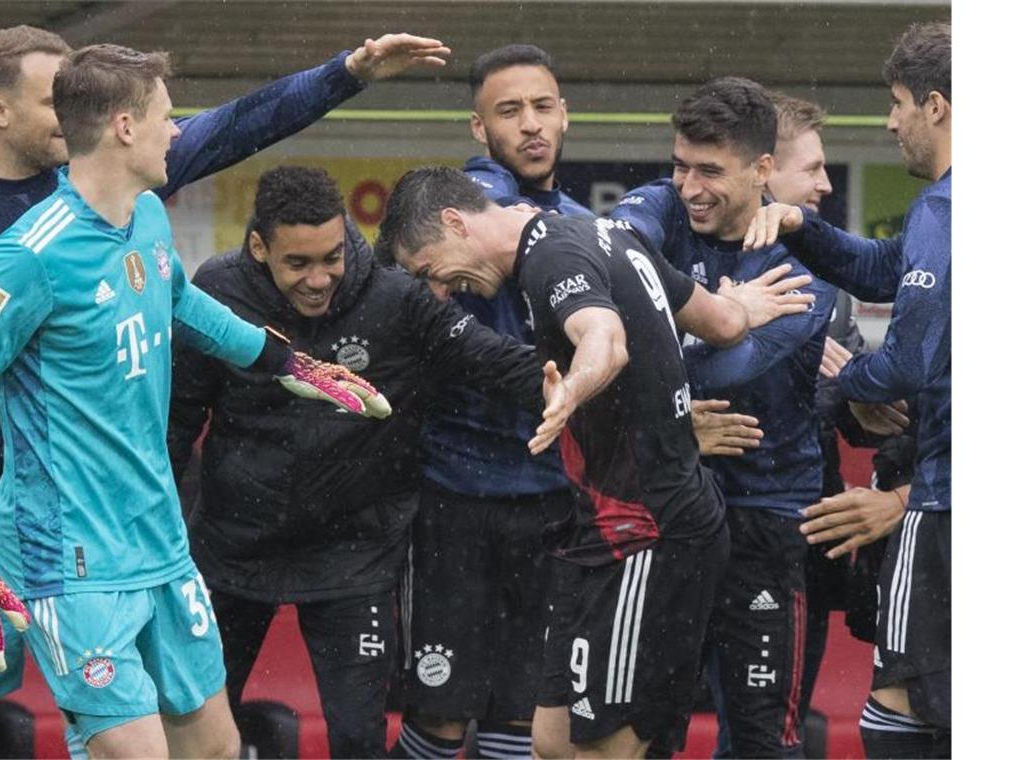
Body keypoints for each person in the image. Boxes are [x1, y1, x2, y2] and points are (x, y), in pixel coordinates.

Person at [0, 24, 448, 759]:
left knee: (211, 748)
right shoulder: (22, 259)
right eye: (165, 116)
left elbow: (181, 299)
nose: (177, 131)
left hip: (160, 540)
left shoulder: (143, 215)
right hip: (69, 553)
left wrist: (291, 365)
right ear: (122, 127)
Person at [376, 165, 815, 759]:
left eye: (429, 268)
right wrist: (741, 307)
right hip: (601, 535)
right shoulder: (605, 234)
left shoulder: (550, 257)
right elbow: (722, 322)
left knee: (603, 751)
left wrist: (570, 393)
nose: (441, 287)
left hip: (651, 533)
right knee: (553, 743)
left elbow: (604, 339)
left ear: (455, 223)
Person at [167, 165, 546, 758]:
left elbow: (499, 364)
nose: (320, 280)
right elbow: (175, 419)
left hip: (353, 559)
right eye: (299, 264)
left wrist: (620, 393)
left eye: (332, 257)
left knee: (357, 742)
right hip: (231, 552)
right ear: (259, 247)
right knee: (194, 735)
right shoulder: (218, 292)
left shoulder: (396, 298)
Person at [609, 76, 837, 758]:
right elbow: (607, 268)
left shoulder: (807, 258)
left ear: (762, 171)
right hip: (668, 509)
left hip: (765, 519)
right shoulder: (656, 207)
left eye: (710, 171)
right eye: (681, 165)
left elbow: (728, 373)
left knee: (762, 739)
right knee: (640, 730)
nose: (689, 186)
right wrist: (725, 313)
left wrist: (668, 333)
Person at [744, 21, 951, 757]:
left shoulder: (951, 205)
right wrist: (803, 228)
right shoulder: (943, 212)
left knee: (898, 709)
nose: (890, 121)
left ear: (936, 105)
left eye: (897, 102)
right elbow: (875, 270)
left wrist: (844, 384)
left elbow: (909, 361)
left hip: (943, 502)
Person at [395, 44, 586, 760]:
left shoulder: (573, 221)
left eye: (542, 106)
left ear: (564, 113)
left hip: (552, 497)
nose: (531, 125)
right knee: (441, 716)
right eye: (510, 112)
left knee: (522, 716)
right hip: (456, 498)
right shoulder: (467, 205)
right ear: (479, 129)